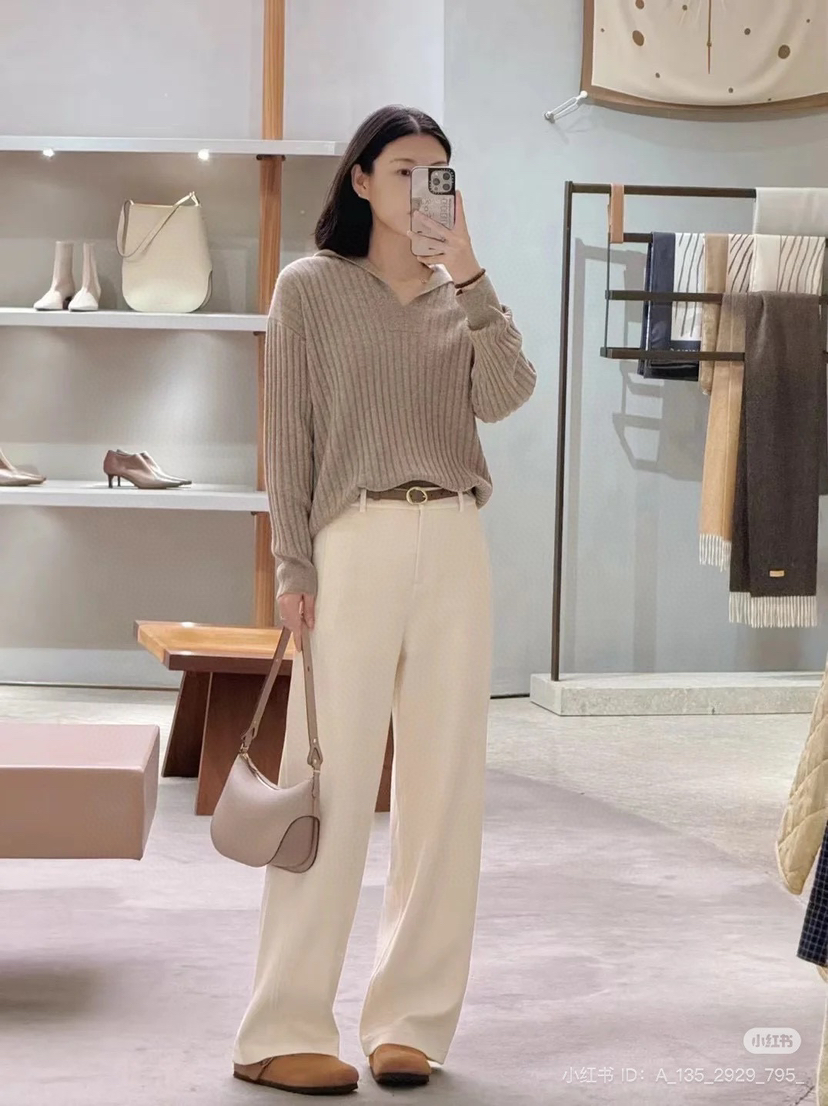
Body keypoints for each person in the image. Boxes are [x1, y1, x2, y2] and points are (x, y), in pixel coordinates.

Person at [232, 104, 536, 1096]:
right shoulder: (310, 288)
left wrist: (472, 274)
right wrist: (292, 566)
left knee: (445, 789)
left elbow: (507, 395)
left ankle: (411, 1021)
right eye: (403, 169)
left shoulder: (460, 299)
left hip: (452, 537)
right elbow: (289, 434)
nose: (421, 188)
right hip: (352, 538)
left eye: (437, 172)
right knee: (326, 782)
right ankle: (280, 1025)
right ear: (360, 181)